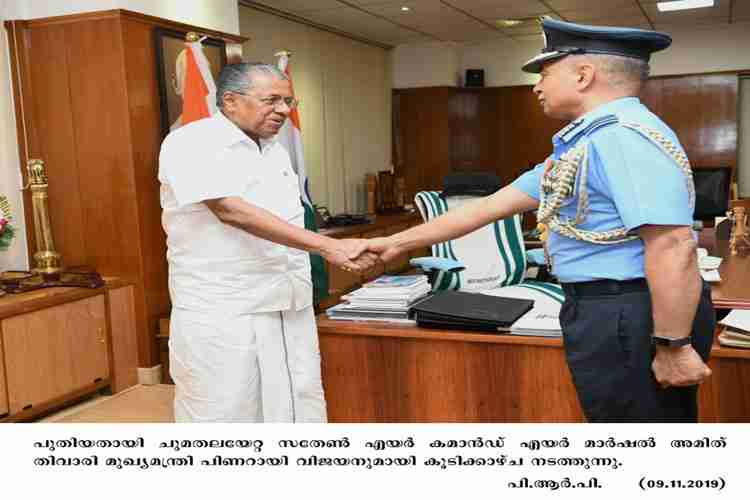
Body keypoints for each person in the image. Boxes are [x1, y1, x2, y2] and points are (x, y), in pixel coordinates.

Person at [362, 18, 715, 423]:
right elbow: (487, 207)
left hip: (630, 312)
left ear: (583, 75)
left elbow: (672, 244)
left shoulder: (622, 137)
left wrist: (672, 346)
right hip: (609, 308)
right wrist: (396, 244)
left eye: (545, 73)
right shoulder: (583, 143)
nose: (536, 86)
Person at [158, 62, 375, 422]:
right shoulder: (190, 142)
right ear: (229, 101)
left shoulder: (274, 149)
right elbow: (231, 211)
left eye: (288, 101)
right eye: (271, 100)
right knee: (226, 413)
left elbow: (285, 220)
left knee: (296, 407)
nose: (283, 110)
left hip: (286, 304)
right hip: (227, 309)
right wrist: (326, 247)